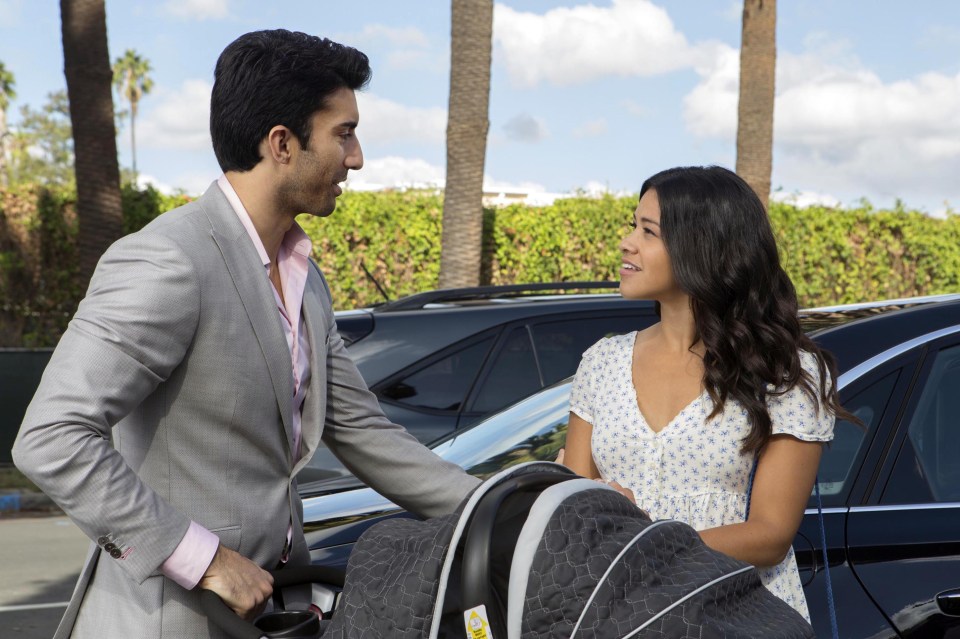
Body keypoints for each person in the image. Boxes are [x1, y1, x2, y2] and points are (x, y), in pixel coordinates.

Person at [12, 29, 480, 638]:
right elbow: (51, 437)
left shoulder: (306, 280)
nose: (357, 157)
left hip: (273, 615)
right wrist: (203, 559)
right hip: (167, 621)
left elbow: (365, 432)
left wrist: (516, 507)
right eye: (344, 133)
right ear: (282, 143)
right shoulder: (168, 259)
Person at [561, 165, 853, 622]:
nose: (627, 242)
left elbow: (771, 535)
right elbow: (570, 502)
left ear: (701, 246)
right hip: (614, 616)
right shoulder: (603, 361)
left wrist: (639, 543)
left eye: (648, 231)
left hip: (730, 614)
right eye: (632, 226)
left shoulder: (783, 370)